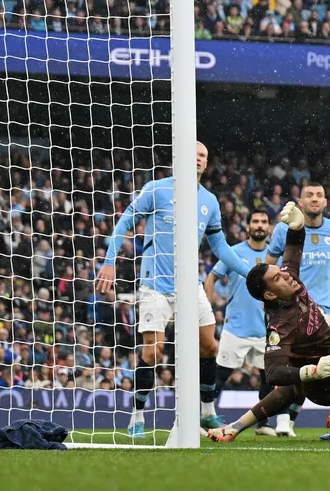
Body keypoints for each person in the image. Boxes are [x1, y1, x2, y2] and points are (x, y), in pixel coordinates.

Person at [96, 142, 251, 439]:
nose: (197, 159)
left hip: (190, 285)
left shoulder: (208, 201)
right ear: (179, 157)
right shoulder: (157, 189)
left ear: (206, 164)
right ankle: (137, 417)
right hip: (155, 283)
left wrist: (249, 272)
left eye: (203, 156)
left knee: (210, 346)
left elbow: (219, 246)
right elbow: (126, 221)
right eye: (192, 154)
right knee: (152, 351)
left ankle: (207, 413)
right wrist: (109, 261)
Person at [208, 203, 330, 443]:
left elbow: (293, 249)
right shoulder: (280, 325)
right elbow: (274, 373)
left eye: (281, 271)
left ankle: (234, 427)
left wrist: (297, 228)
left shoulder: (288, 281)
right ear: (270, 295)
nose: (286, 274)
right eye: (278, 277)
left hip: (327, 369)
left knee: (294, 389)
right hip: (328, 383)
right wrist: (311, 372)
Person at [264, 181, 330, 436]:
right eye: (309, 195)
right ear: (301, 202)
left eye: (320, 195)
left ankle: (289, 419)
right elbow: (269, 264)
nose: (315, 199)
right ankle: (283, 418)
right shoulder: (283, 230)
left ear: (326, 202)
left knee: (314, 367)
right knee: (291, 363)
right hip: (290, 308)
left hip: (321, 310)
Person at [204, 211, 273, 434]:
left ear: (269, 227)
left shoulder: (275, 256)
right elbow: (212, 276)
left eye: (263, 222)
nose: (260, 225)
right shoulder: (234, 252)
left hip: (266, 329)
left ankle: (263, 423)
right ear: (248, 226)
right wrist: (208, 307)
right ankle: (204, 415)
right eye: (256, 221)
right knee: (221, 375)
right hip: (236, 327)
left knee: (269, 377)